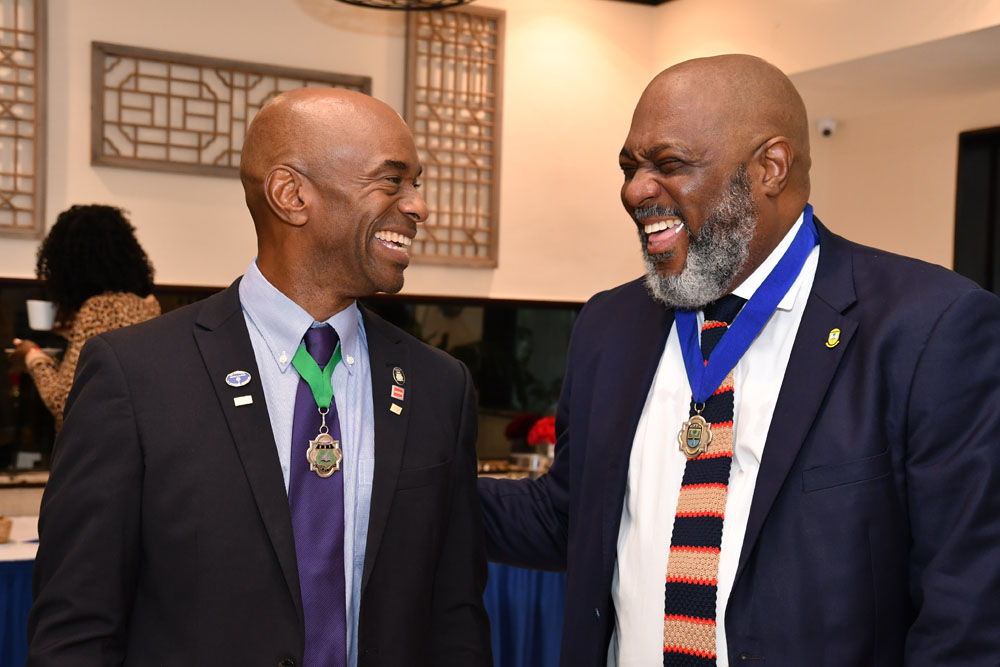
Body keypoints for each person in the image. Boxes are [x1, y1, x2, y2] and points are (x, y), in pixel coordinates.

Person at [479, 54, 1000, 666]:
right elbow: (568, 518)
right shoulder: (609, 325)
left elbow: (967, 608)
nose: (635, 190)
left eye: (669, 164)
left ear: (770, 167)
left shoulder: (928, 327)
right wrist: (406, 472)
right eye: (629, 168)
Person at [28, 88, 492, 666]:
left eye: (415, 183)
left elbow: (455, 618)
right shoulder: (136, 376)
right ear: (291, 195)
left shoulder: (439, 385)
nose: (419, 206)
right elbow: (76, 628)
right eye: (392, 180)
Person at [7, 204, 160, 431]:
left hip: (97, 444)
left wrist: (32, 357)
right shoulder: (147, 305)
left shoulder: (98, 308)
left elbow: (66, 402)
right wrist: (73, 333)